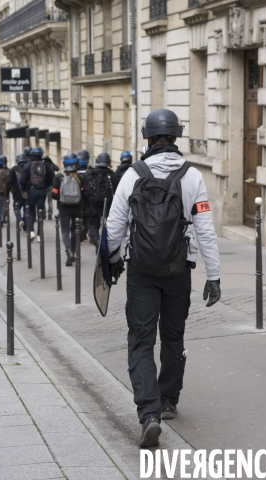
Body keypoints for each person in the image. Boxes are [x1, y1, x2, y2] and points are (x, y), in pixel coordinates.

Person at [106, 109, 221, 448]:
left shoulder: (131, 175)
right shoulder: (192, 177)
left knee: (141, 341)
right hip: (177, 271)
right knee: (173, 337)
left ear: (147, 138)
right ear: (176, 137)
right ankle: (169, 401)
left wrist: (110, 261)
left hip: (141, 271)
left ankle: (149, 414)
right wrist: (212, 275)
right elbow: (205, 229)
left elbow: (114, 227)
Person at [51, 152, 92, 266]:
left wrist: (61, 195)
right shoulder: (82, 177)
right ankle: (73, 252)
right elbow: (88, 193)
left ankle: (68, 251)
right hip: (78, 208)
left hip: (64, 208)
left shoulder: (59, 177)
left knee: (65, 230)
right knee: (75, 231)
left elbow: (54, 195)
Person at [19, 147, 55, 241]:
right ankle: (40, 235)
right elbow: (51, 178)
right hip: (42, 191)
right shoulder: (46, 165)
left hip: (31, 190)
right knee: (40, 212)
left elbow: (22, 180)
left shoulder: (28, 165)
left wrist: (24, 187)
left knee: (31, 212)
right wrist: (45, 186)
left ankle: (31, 232)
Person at [86, 152, 118, 248]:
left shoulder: (91, 174)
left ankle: (97, 241)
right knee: (109, 226)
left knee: (93, 225)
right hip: (108, 205)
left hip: (94, 205)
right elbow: (117, 191)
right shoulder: (112, 175)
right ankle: (105, 245)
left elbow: (87, 190)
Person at [6, 153, 28, 231]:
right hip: (27, 193)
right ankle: (25, 226)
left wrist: (7, 192)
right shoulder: (28, 167)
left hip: (17, 193)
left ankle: (20, 219)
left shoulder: (14, 169)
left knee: (16, 209)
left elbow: (9, 182)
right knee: (27, 210)